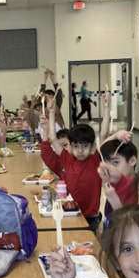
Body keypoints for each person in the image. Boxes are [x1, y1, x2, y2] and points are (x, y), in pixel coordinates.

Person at [41, 92, 111, 232]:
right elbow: (53, 139)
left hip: (91, 216)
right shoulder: (67, 158)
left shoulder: (95, 159)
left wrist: (107, 108)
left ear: (92, 147)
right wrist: (51, 112)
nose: (80, 151)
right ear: (70, 147)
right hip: (70, 212)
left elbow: (103, 134)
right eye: (76, 146)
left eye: (85, 146)